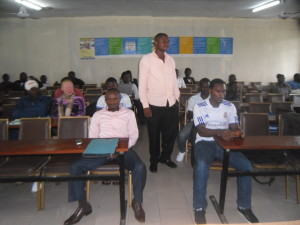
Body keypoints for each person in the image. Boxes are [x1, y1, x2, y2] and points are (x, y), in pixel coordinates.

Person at [64, 88, 147, 225]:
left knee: (140, 167)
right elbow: (92, 137)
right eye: (109, 99)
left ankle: (137, 201)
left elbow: (133, 135)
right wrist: (103, 149)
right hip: (101, 149)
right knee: (75, 166)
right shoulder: (98, 115)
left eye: (115, 99)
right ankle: (83, 205)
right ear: (105, 100)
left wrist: (121, 148)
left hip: (123, 148)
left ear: (120, 100)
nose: (112, 102)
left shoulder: (129, 114)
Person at [193, 78, 258, 224]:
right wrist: (219, 131)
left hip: (224, 143)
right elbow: (201, 131)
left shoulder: (229, 106)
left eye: (224, 91)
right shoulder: (200, 106)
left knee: (246, 166)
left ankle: (244, 206)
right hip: (205, 142)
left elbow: (233, 125)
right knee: (202, 167)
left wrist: (238, 131)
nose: (221, 94)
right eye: (218, 91)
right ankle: (199, 208)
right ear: (210, 91)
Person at [139, 33, 179, 173]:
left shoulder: (171, 60)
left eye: (168, 41)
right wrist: (145, 105)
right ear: (155, 42)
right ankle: (154, 160)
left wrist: (177, 98)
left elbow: (174, 80)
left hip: (171, 103)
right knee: (154, 135)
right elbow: (142, 84)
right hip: (154, 105)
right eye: (163, 41)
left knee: (170, 134)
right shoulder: (146, 60)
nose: (166, 43)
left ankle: (166, 157)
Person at [176, 78, 210, 162]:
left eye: (207, 87)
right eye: (203, 87)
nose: (205, 89)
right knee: (181, 135)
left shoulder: (213, 98)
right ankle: (182, 151)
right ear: (200, 87)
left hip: (211, 122)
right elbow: (189, 114)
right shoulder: (194, 99)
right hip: (195, 121)